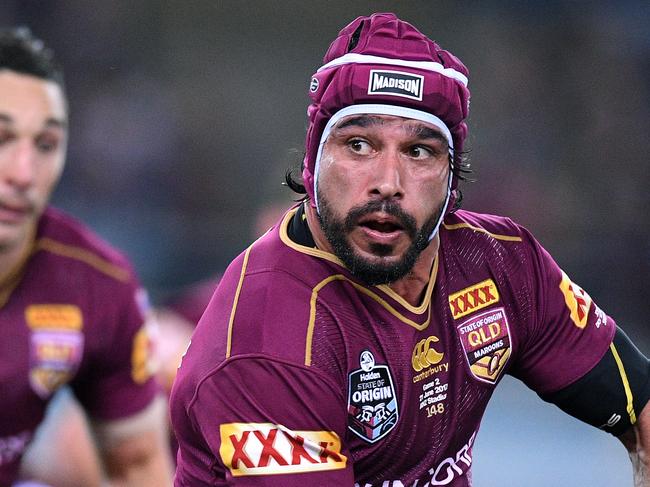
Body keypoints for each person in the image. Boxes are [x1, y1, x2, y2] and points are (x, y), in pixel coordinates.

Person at [170, 12, 650, 486]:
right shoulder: (264, 342)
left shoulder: (504, 264)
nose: (387, 183)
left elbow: (642, 406)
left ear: (451, 177)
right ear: (315, 160)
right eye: (359, 145)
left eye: (419, 151)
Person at [0, 27, 173, 486]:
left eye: (45, 145)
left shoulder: (97, 286)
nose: (23, 173)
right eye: (1, 137)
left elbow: (136, 465)